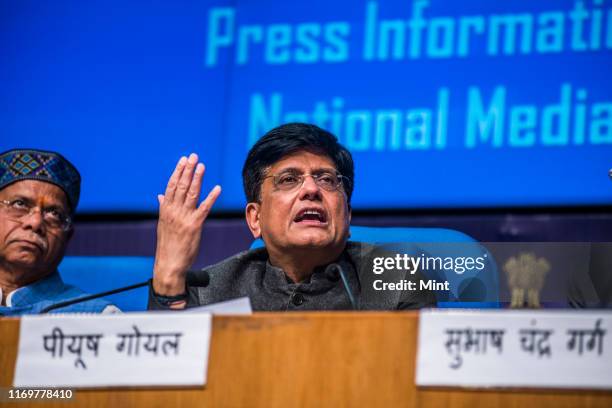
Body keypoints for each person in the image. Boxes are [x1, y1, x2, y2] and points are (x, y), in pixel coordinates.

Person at [149, 123, 436, 311]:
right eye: (288, 179)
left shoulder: (397, 282)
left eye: (326, 179)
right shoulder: (213, 290)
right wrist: (168, 277)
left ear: (347, 214)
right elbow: (168, 381)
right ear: (255, 219)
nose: (311, 189)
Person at [0, 149, 119, 315]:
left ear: (68, 236)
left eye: (54, 214)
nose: (35, 223)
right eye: (19, 204)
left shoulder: (97, 317)